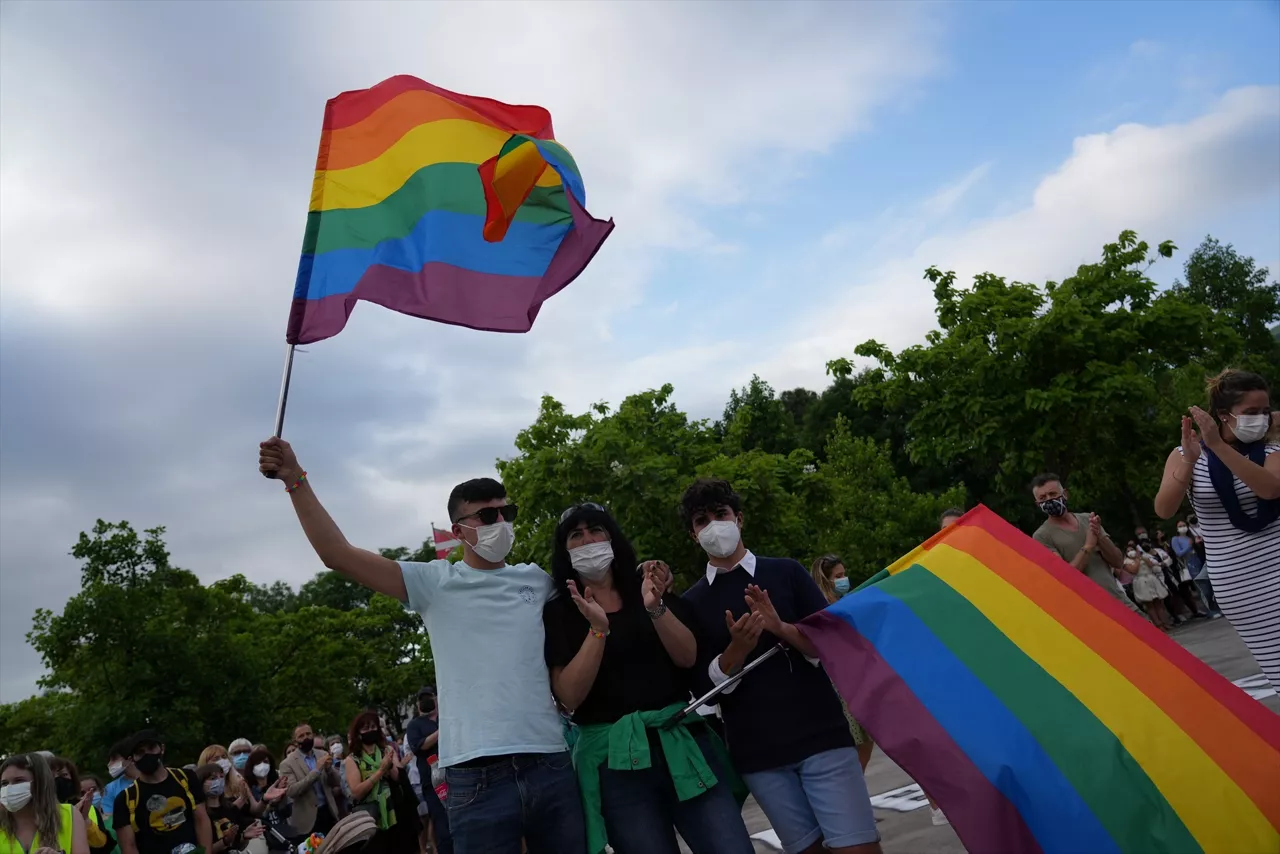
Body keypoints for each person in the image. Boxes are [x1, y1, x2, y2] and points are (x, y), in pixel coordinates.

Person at [258, 437, 586, 854]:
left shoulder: (537, 580)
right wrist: (294, 477)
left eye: (507, 512)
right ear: (458, 531)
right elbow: (336, 554)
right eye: (487, 515)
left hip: (550, 762)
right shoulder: (435, 583)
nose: (500, 522)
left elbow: (602, 594)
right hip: (475, 776)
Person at [679, 479, 881, 854]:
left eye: (720, 515)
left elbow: (826, 648)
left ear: (739, 519)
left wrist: (780, 627)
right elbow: (705, 687)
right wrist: (736, 650)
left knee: (858, 847)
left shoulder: (785, 573)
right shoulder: (691, 602)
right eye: (701, 521)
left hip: (822, 738)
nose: (713, 526)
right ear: (693, 536)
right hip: (759, 756)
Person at [542, 503, 753, 854]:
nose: (588, 540)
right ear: (564, 550)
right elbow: (568, 696)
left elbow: (687, 657)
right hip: (616, 764)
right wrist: (598, 630)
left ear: (612, 537)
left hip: (680, 743)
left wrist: (655, 606)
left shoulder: (649, 587)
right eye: (576, 536)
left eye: (596, 530)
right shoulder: (559, 612)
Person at [1155, 368, 1280, 689]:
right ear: (1224, 416)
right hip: (1238, 582)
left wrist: (1218, 446)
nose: (1262, 419)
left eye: (1265, 411)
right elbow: (1164, 508)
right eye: (1251, 412)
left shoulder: (1271, 451)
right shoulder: (1185, 455)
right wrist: (1189, 461)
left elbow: (1269, 489)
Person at [1029, 475, 1144, 616]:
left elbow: (1118, 561)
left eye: (1052, 494)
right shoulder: (1041, 536)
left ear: (1065, 494)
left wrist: (1099, 536)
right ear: (1037, 504)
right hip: (1091, 613)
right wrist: (1089, 545)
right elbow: (1065, 578)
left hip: (1120, 602)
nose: (1049, 500)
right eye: (1042, 498)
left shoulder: (1087, 519)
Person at [808, 555, 875, 771]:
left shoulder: (847, 603)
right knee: (857, 743)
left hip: (859, 679)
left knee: (866, 742)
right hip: (840, 683)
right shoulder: (822, 611)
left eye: (844, 574)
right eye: (838, 576)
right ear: (826, 580)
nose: (844, 579)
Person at [112, 730, 212, 854]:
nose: (147, 754)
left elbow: (201, 819)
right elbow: (129, 846)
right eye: (140, 752)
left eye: (151, 747)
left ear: (162, 748)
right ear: (132, 760)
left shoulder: (186, 778)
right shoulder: (125, 799)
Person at [343, 710, 412, 854]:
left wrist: (391, 766)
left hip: (394, 812)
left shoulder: (386, 750)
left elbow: (398, 778)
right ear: (358, 732)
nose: (371, 731)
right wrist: (380, 771)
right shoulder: (352, 759)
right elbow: (356, 792)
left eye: (374, 727)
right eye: (366, 728)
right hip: (371, 817)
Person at [1, 752, 90, 854]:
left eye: (19, 780)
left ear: (40, 783)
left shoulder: (69, 814)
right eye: (4, 783)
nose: (9, 788)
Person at [279, 723, 344, 836]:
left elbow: (337, 782)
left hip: (329, 813)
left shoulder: (323, 754)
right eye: (301, 736)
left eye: (308, 734)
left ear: (313, 735)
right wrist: (316, 771)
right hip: (307, 821)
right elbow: (291, 791)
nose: (306, 738)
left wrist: (329, 770)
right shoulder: (287, 764)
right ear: (295, 741)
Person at [406, 689, 450, 854]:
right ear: (418, 705)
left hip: (457, 774)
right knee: (441, 822)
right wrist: (442, 732)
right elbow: (420, 745)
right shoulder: (414, 725)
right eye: (422, 699)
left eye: (429, 697)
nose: (426, 701)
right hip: (434, 780)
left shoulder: (446, 717)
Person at [195, 764, 266, 854]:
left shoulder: (231, 809)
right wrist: (225, 841)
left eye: (221, 777)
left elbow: (238, 847)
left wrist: (243, 837)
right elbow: (203, 851)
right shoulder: (200, 815)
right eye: (213, 778)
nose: (219, 781)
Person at [243, 749, 292, 850]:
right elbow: (258, 815)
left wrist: (283, 796)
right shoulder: (248, 789)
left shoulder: (277, 782)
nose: (262, 765)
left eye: (265, 762)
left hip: (283, 833)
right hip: (263, 837)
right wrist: (271, 803)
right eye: (258, 763)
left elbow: (288, 812)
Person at [1124, 545, 1172, 630]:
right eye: (1128, 551)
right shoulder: (1126, 562)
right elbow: (1133, 570)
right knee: (1149, 604)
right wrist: (1137, 560)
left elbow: (1151, 565)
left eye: (1132, 549)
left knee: (1158, 602)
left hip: (1151, 579)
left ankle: (1165, 622)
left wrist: (1142, 557)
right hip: (1140, 581)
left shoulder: (1143, 557)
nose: (1131, 551)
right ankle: (1158, 624)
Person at [101, 740, 137, 829]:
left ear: (130, 759)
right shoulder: (110, 788)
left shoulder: (152, 779)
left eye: (114, 759)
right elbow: (110, 820)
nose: (109, 764)